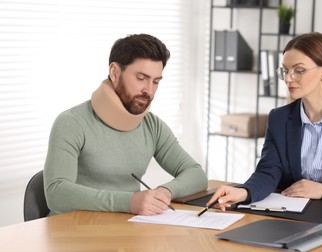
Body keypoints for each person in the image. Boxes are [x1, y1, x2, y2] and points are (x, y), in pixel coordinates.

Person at [207, 32, 322, 211]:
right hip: (292, 217)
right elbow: (268, 171)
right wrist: (243, 192)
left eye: (299, 70)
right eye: (285, 71)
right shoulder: (279, 118)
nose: (288, 78)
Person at [44, 33, 208, 216]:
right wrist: (129, 202)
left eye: (156, 81)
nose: (149, 90)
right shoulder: (72, 122)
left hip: (125, 230)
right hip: (71, 231)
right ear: (114, 72)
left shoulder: (152, 126)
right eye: (141, 78)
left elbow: (196, 174)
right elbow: (56, 192)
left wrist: (164, 192)